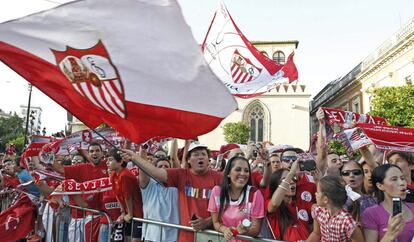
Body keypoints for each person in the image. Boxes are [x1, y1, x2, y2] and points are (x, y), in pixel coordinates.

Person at [122, 142, 222, 241]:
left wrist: (207, 222)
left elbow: (229, 208)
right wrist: (135, 157)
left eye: (203, 154)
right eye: (196, 154)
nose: (200, 157)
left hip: (212, 236)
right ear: (188, 160)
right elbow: (154, 172)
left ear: (208, 159)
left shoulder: (220, 178)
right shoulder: (181, 175)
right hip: (185, 237)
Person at [52, 142, 108, 242]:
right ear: (89, 154)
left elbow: (121, 160)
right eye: (91, 151)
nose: (94, 153)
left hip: (108, 218)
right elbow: (60, 169)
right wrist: (48, 156)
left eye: (97, 151)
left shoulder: (109, 164)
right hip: (90, 217)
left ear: (102, 153)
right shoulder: (81, 167)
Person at [208, 156, 264, 241]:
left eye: (246, 171)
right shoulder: (217, 191)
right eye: (238, 169)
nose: (243, 173)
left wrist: (244, 231)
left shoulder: (255, 194)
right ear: (228, 173)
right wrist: (225, 230)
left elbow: (256, 229)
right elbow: (216, 222)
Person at [362, 164, 414, 242]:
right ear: (380, 186)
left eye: (402, 178)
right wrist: (390, 235)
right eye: (394, 179)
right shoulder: (371, 214)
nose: (402, 183)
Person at [266, 159, 313, 241]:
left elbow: (321, 211)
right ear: (276, 184)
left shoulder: (302, 203)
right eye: (286, 179)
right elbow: (274, 204)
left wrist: (318, 181)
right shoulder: (270, 203)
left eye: (294, 178)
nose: (291, 181)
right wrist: (291, 173)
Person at [308, 175, 364, 242]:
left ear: (326, 199)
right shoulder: (318, 210)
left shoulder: (347, 222)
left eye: (318, 192)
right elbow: (316, 233)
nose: (315, 194)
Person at [139, 156, 179, 242]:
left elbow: (174, 158)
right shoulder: (148, 185)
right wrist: (143, 151)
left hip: (173, 237)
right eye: (160, 166)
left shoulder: (177, 187)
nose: (163, 168)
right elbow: (142, 168)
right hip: (152, 237)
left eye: (166, 166)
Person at [107, 148, 143, 242]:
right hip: (127, 212)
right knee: (127, 238)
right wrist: (123, 211)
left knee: (135, 240)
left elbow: (128, 197)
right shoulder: (114, 174)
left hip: (137, 213)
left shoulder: (125, 175)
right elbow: (117, 195)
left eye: (110, 159)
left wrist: (130, 214)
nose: (107, 162)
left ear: (120, 162)